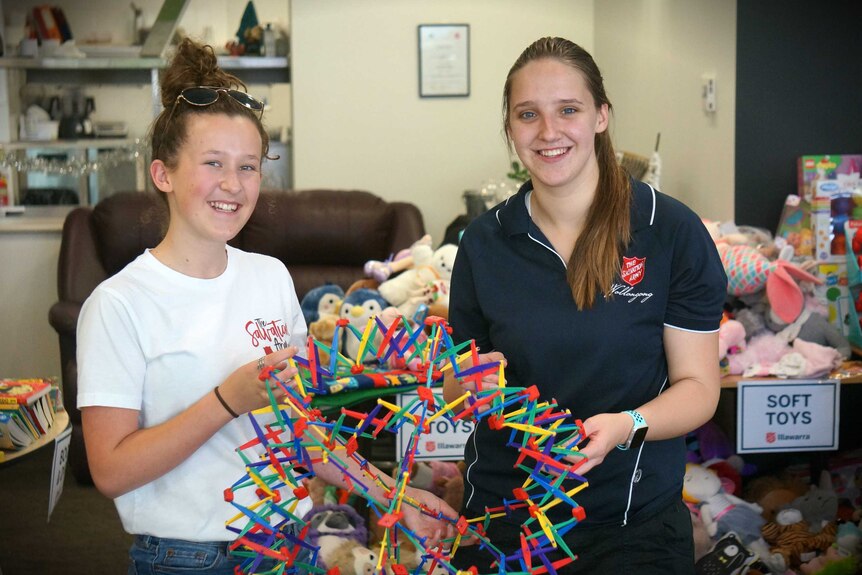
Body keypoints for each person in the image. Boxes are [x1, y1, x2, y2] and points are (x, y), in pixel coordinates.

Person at [77, 38, 456, 575]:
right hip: (188, 558)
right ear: (163, 174)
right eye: (213, 163)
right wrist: (227, 401)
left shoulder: (270, 277)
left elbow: (300, 429)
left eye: (249, 167)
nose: (233, 185)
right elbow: (111, 471)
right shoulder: (118, 304)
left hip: (286, 544)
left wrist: (395, 498)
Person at [443, 37, 727, 573]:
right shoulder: (485, 242)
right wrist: (469, 384)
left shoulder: (668, 231)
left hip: (630, 525)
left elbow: (698, 389)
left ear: (601, 116)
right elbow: (460, 385)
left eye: (567, 110)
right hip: (504, 522)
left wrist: (627, 425)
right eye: (528, 114)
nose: (548, 132)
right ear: (510, 129)